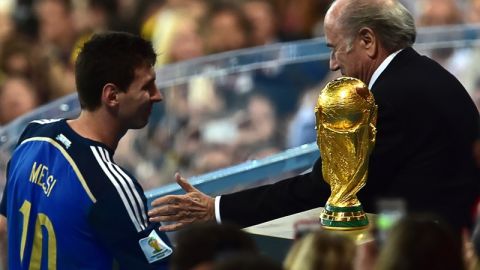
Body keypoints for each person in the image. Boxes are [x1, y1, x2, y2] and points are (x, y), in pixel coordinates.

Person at [148, 0, 480, 232]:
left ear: (367, 40)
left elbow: (325, 189)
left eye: (334, 48)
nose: (334, 63)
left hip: (425, 248)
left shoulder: (387, 99)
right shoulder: (427, 74)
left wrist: (216, 208)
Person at [0, 32, 172, 269]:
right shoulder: (111, 186)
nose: (157, 95)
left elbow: (7, 225)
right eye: (147, 86)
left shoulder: (31, 136)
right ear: (111, 96)